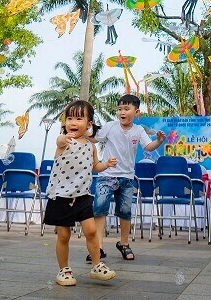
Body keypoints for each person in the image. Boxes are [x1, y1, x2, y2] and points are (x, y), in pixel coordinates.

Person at [44, 100, 118, 286]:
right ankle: (64, 270)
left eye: (79, 118)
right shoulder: (64, 141)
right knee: (63, 235)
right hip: (61, 196)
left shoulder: (90, 146)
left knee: (92, 231)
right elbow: (59, 140)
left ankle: (96, 265)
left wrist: (106, 164)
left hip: (82, 195)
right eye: (69, 118)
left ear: (89, 124)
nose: (73, 123)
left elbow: (95, 166)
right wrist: (63, 138)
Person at [92, 94, 165, 262]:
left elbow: (148, 146)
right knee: (100, 209)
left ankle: (124, 244)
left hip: (126, 178)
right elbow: (94, 138)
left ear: (136, 111)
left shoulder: (138, 130)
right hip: (106, 176)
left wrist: (159, 141)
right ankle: (98, 247)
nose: (122, 112)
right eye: (119, 109)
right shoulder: (110, 126)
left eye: (126, 109)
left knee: (125, 211)